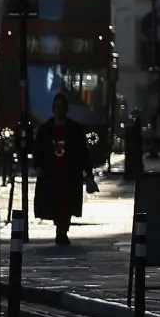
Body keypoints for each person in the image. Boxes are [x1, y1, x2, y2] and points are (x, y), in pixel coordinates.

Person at [32, 92, 93, 246]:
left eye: (61, 106)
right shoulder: (46, 129)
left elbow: (82, 152)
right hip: (51, 174)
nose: (59, 109)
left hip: (69, 173)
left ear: (65, 109)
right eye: (56, 106)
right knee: (53, 202)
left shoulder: (75, 129)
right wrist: (39, 166)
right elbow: (38, 150)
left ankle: (62, 230)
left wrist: (88, 172)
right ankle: (59, 228)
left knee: (67, 203)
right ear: (53, 108)